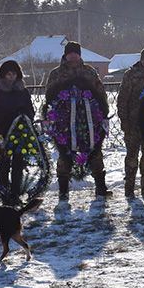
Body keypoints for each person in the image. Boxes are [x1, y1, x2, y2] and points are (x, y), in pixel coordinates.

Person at [45, 41, 111, 199]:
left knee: (95, 151)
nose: (73, 56)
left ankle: (101, 188)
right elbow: (49, 95)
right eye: (70, 53)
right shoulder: (56, 73)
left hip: (89, 120)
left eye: (76, 53)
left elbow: (99, 91)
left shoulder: (89, 71)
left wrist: (104, 110)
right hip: (64, 122)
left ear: (80, 55)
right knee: (64, 154)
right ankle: (63, 191)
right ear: (66, 55)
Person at [0, 59, 36, 205]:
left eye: (14, 74)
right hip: (2, 131)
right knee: (3, 164)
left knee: (18, 164)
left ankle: (15, 193)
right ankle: (4, 193)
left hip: (20, 132)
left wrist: (25, 116)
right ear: (3, 75)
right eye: (8, 74)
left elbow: (30, 110)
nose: (11, 77)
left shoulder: (22, 91)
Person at [117, 47, 144, 198]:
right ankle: (129, 189)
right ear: (141, 60)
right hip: (133, 123)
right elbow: (122, 99)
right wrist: (124, 120)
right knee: (131, 157)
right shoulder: (131, 74)